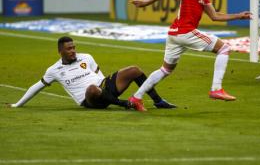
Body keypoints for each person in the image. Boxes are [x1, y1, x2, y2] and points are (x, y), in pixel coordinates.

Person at [128, 0, 251, 111]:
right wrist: (147, 2)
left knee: (165, 70)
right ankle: (216, 89)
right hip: (185, 31)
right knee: (224, 48)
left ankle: (136, 97)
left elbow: (215, 16)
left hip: (174, 34)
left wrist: (238, 16)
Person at [8, 36, 176, 110]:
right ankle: (127, 104)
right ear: (60, 51)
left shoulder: (86, 57)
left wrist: (108, 85)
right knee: (92, 89)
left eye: (74, 47)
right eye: (69, 49)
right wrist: (18, 104)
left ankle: (159, 101)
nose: (73, 51)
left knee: (135, 70)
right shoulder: (54, 70)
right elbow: (37, 87)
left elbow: (100, 75)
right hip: (89, 98)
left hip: (104, 88)